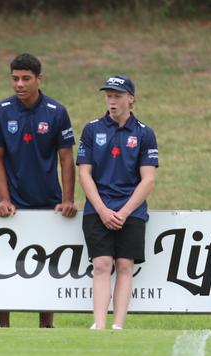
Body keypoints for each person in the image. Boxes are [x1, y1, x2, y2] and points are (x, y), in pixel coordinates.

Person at [0, 53, 77, 328]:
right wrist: (3, 198)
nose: (20, 84)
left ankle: (46, 325)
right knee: (3, 263)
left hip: (47, 201)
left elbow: (66, 158)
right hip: (11, 203)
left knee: (46, 266)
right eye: (15, 78)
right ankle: (2, 324)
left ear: (39, 79)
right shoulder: (1, 110)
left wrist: (68, 199)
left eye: (26, 78)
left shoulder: (56, 111)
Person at [77, 75, 158, 330]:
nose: (112, 101)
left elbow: (148, 180)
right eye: (109, 96)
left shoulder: (145, 133)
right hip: (97, 208)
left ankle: (118, 325)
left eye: (117, 96)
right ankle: (99, 324)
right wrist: (102, 210)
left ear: (131, 99)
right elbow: (84, 173)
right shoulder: (92, 129)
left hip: (131, 210)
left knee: (124, 265)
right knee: (102, 264)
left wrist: (123, 212)